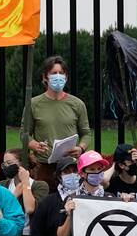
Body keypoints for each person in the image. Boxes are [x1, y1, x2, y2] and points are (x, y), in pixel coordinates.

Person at [20, 55, 90, 183]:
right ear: (45, 77)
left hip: (70, 167)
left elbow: (86, 134)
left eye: (61, 73)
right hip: (43, 167)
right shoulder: (33, 104)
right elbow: (24, 135)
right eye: (53, 73)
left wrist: (80, 148)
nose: (58, 76)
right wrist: (34, 145)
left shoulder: (77, 104)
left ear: (66, 77)